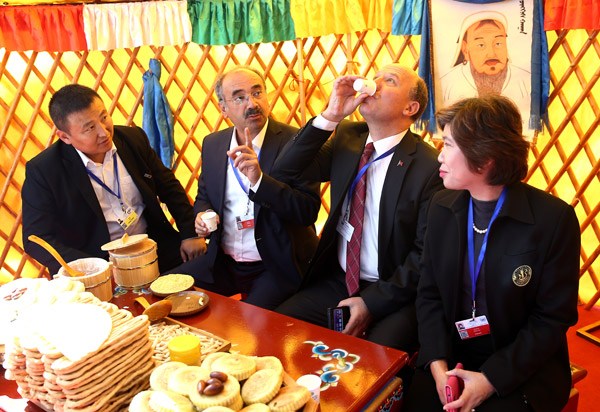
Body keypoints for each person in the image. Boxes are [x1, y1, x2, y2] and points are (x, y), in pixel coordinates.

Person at [403, 95, 580, 412]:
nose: (439, 157)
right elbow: (428, 294)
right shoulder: (441, 208)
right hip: (455, 353)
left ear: (484, 160)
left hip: (522, 364)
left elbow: (551, 319)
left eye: (448, 145)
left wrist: (490, 379)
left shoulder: (553, 220)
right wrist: (437, 364)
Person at [274, 64, 443, 352]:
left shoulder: (429, 166)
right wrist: (331, 115)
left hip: (394, 290)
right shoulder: (349, 137)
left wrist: (372, 302)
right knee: (281, 329)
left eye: (389, 80)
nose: (373, 83)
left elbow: (424, 256)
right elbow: (285, 170)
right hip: (338, 280)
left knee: (374, 361)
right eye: (374, 76)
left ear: (410, 107)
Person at [167, 66, 320, 310]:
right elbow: (205, 195)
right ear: (223, 107)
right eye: (239, 97)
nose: (252, 103)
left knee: (249, 326)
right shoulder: (213, 143)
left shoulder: (296, 143)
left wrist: (260, 180)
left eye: (257, 93)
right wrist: (202, 217)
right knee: (165, 290)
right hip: (223, 260)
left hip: (275, 263)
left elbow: (307, 210)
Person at [22, 84, 205, 275]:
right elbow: (35, 238)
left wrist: (189, 233)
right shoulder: (45, 170)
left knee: (202, 285)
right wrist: (88, 268)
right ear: (65, 137)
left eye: (104, 117)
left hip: (155, 249)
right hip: (98, 267)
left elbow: (168, 186)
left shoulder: (132, 139)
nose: (104, 132)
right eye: (90, 128)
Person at [441, 11, 530, 110]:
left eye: (498, 43)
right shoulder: (446, 85)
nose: (491, 53)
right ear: (465, 50)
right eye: (481, 45)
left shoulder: (527, 83)